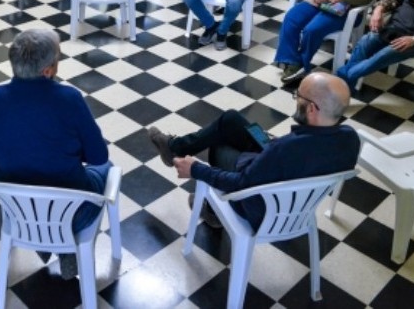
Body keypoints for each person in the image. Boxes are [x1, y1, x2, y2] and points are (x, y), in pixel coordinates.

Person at [0, 28, 110, 279]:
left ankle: (44, 244)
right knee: (106, 168)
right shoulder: (69, 99)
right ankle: (65, 246)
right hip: (73, 211)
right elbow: (98, 157)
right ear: (48, 70)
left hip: (20, 212)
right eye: (58, 58)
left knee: (30, 180)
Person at [147, 73, 359, 230]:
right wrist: (273, 145)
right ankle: (174, 148)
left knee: (219, 144)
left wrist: (195, 169)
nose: (296, 101)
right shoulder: (351, 139)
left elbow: (240, 184)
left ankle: (213, 211)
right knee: (230, 120)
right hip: (287, 182)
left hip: (261, 207)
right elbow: (301, 155)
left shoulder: (285, 149)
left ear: (312, 109)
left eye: (298, 97)